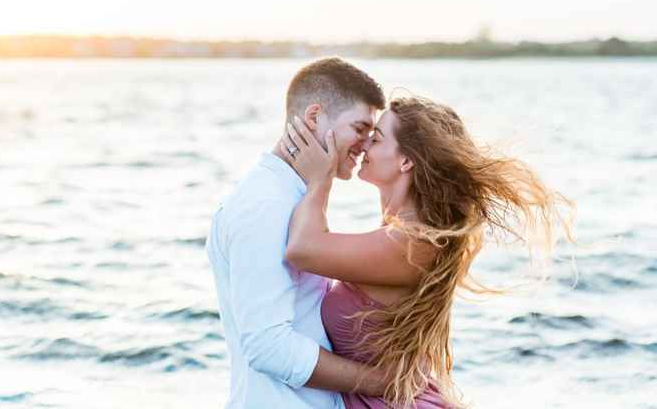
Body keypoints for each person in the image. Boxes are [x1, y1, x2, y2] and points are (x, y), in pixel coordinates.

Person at [280, 95, 574, 408]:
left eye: (376, 139)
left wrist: (319, 178)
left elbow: (302, 249)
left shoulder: (411, 244)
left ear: (406, 161)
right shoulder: (404, 236)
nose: (364, 146)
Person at [205, 57, 391, 409]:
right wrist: (381, 382)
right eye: (360, 128)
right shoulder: (266, 204)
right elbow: (268, 345)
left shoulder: (294, 196)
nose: (366, 144)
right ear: (314, 117)